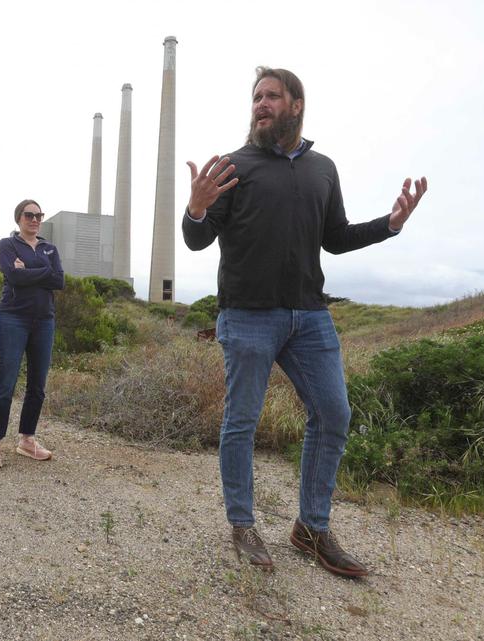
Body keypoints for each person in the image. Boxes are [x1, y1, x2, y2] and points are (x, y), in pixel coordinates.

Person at [182, 67, 427, 577]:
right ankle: (243, 525)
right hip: (248, 315)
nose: (260, 105)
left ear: (296, 105)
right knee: (242, 423)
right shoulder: (232, 166)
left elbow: (334, 237)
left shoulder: (323, 169)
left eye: (271, 96)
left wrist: (391, 224)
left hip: (309, 317)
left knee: (333, 414)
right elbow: (196, 240)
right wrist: (197, 210)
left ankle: (311, 528)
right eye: (256, 97)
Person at [0, 199, 65, 468]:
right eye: (29, 215)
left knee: (37, 387)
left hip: (44, 320)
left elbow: (59, 280)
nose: (35, 219)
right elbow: (13, 277)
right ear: (19, 218)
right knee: (6, 383)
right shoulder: (7, 245)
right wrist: (42, 273)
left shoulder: (50, 248)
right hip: (13, 318)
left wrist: (28, 270)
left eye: (39, 215)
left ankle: (27, 440)